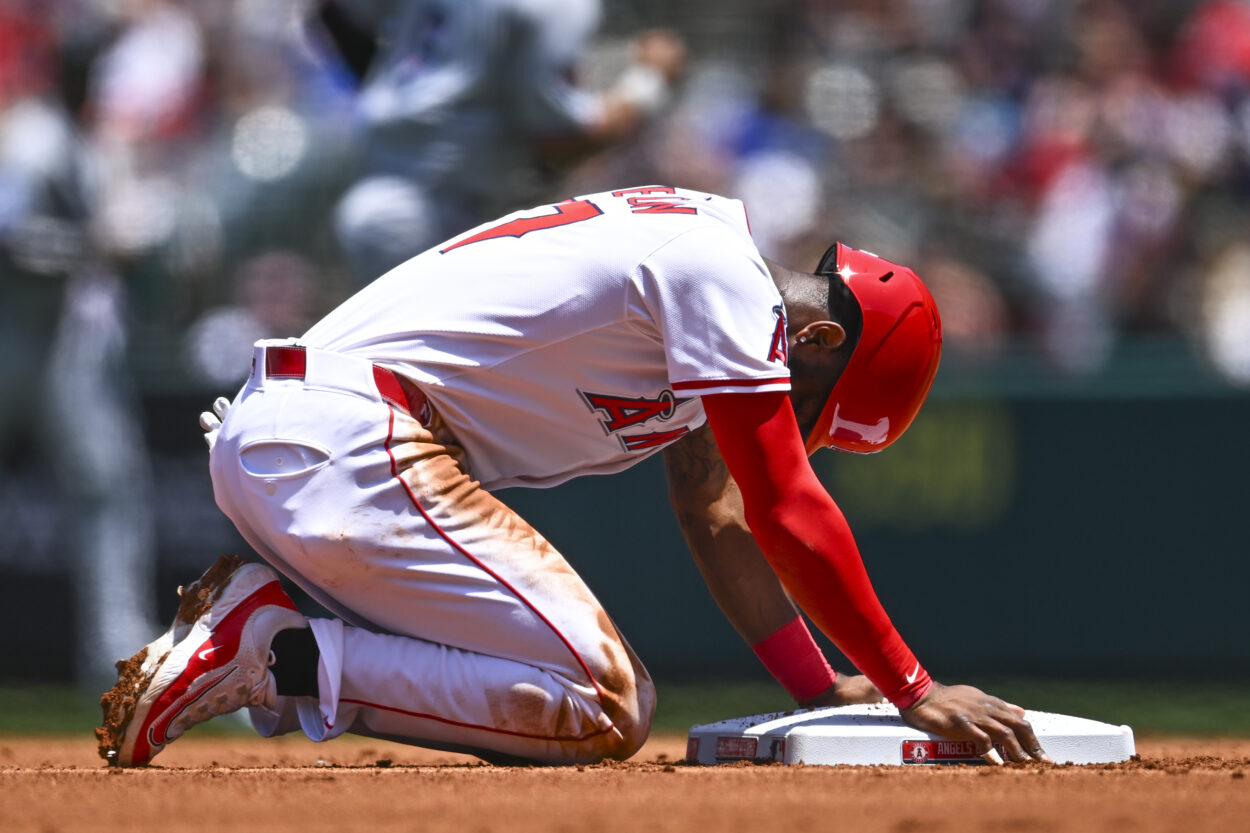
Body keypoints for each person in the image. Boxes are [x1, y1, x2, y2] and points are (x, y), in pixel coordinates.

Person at [97, 184, 1049, 767]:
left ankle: (280, 653)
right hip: (350, 435)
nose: (798, 427)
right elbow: (783, 501)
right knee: (607, 703)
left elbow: (715, 511)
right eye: (815, 408)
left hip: (317, 436)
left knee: (580, 692)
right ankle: (274, 653)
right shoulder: (721, 273)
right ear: (820, 337)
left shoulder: (707, 284)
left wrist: (818, 685)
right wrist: (911, 684)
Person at [311, 0, 686, 283]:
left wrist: (398, 90)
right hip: (441, 218)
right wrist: (649, 81)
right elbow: (562, 140)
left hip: (384, 197)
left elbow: (332, 11)